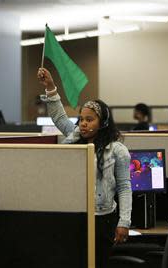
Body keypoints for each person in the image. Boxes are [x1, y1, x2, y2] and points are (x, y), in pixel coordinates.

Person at [37, 67, 132, 268]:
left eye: (90, 120)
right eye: (81, 119)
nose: (84, 124)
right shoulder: (76, 138)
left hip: (104, 220)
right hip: (75, 216)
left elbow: (124, 188)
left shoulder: (117, 150)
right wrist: (51, 87)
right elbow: (59, 117)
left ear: (103, 122)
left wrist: (124, 222)